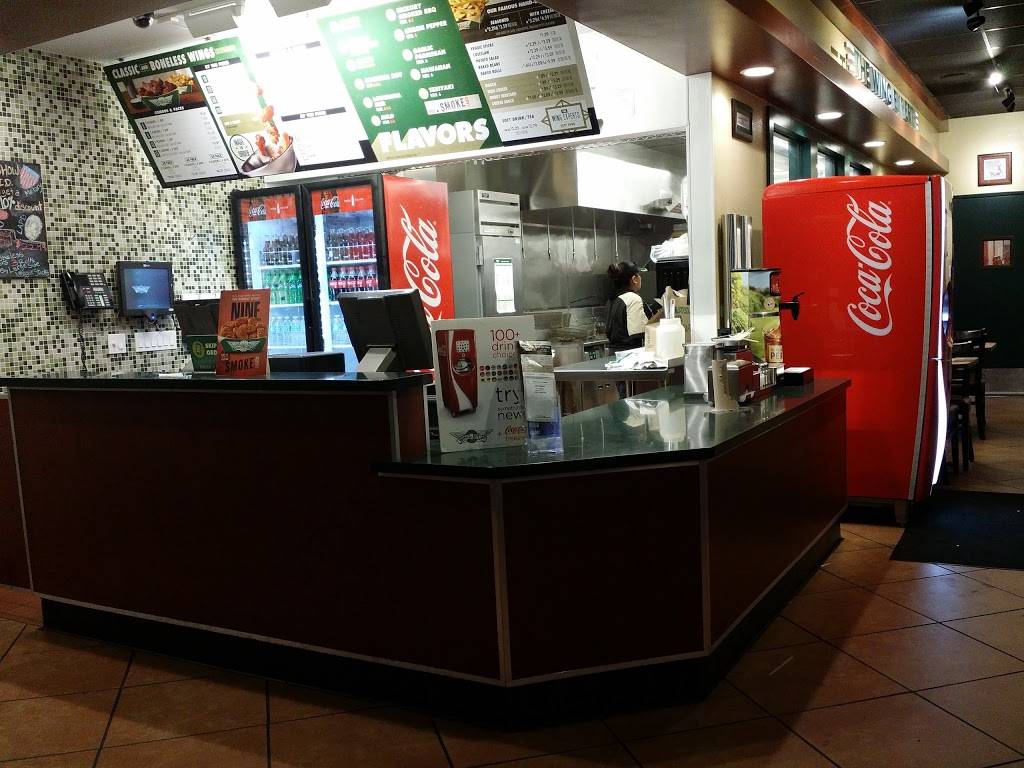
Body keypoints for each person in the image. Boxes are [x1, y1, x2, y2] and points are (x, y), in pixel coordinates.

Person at [606, 261, 661, 398]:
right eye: (639, 275)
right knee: (633, 398)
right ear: (634, 279)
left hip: (615, 356)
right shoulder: (633, 298)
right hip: (629, 357)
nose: (640, 278)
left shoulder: (613, 299)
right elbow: (638, 332)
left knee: (624, 396)